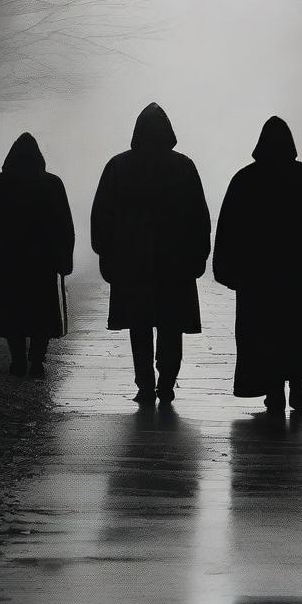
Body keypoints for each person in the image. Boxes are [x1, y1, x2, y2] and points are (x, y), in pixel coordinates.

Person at [91, 103, 211, 405]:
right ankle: (167, 381)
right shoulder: (184, 167)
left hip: (132, 262)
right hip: (176, 262)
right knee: (171, 325)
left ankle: (145, 383)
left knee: (139, 324)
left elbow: (102, 216)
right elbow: (199, 217)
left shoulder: (119, 166)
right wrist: (199, 255)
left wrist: (105, 252)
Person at [213, 116, 302, 412]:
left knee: (262, 334)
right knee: (297, 331)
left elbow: (229, 229)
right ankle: (297, 384)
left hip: (257, 277)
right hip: (298, 275)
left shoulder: (244, 180)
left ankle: (272, 388)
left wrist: (228, 271)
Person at [0, 132, 74, 378]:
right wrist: (65, 260)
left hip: (8, 261)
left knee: (12, 312)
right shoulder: (53, 183)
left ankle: (18, 359)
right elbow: (65, 225)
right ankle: (37, 360)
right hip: (43, 262)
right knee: (42, 312)